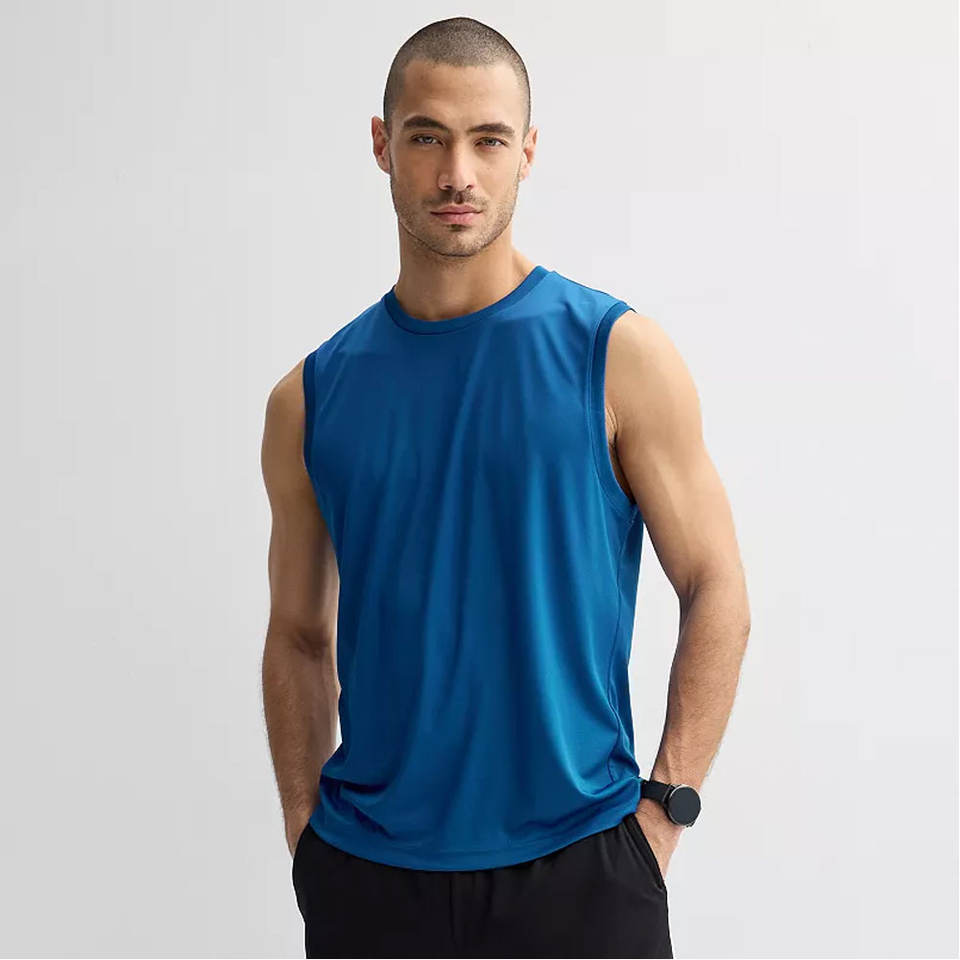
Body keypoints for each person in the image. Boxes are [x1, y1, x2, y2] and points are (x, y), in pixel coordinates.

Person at [260, 16, 750, 959]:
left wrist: (666, 808)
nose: (458, 174)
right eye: (427, 137)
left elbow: (716, 584)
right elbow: (297, 633)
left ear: (526, 152)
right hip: (369, 882)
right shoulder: (310, 399)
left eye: (487, 140)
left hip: (585, 869)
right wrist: (305, 835)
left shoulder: (616, 356)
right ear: (382, 145)